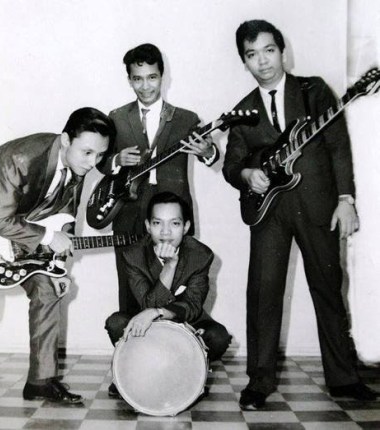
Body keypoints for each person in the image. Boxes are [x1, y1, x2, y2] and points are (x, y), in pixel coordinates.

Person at [222, 19, 378, 410]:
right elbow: (231, 165)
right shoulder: (243, 112)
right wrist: (247, 175)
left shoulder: (314, 91)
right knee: (263, 293)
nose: (263, 61)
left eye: (269, 51)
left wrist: (346, 199)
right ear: (244, 61)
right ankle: (259, 382)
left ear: (283, 51)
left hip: (318, 207)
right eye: (252, 55)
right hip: (269, 214)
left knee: (328, 289)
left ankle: (344, 379)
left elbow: (338, 145)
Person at [0, 107, 116, 408]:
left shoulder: (80, 165)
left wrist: (59, 270)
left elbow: (64, 221)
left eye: (100, 155)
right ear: (65, 140)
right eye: (87, 152)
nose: (92, 162)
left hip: (18, 220)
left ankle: (40, 382)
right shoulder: (22, 158)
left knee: (48, 289)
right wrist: (46, 237)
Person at [98, 43, 219, 317]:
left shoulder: (186, 119)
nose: (145, 86)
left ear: (163, 76)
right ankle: (131, 342)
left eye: (152, 77)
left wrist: (207, 151)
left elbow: (211, 155)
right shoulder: (116, 118)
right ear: (129, 79)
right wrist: (116, 160)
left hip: (172, 217)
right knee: (129, 289)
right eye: (137, 79)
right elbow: (101, 161)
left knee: (178, 285)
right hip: (128, 214)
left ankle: (174, 342)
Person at [105, 191, 231, 397]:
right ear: (148, 226)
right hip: (147, 328)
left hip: (185, 323)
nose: (165, 232)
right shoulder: (133, 255)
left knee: (218, 337)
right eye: (157, 223)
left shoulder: (201, 255)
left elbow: (192, 305)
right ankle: (130, 369)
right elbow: (147, 304)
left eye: (174, 223)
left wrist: (158, 312)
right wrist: (170, 267)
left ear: (186, 227)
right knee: (117, 323)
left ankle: (190, 372)